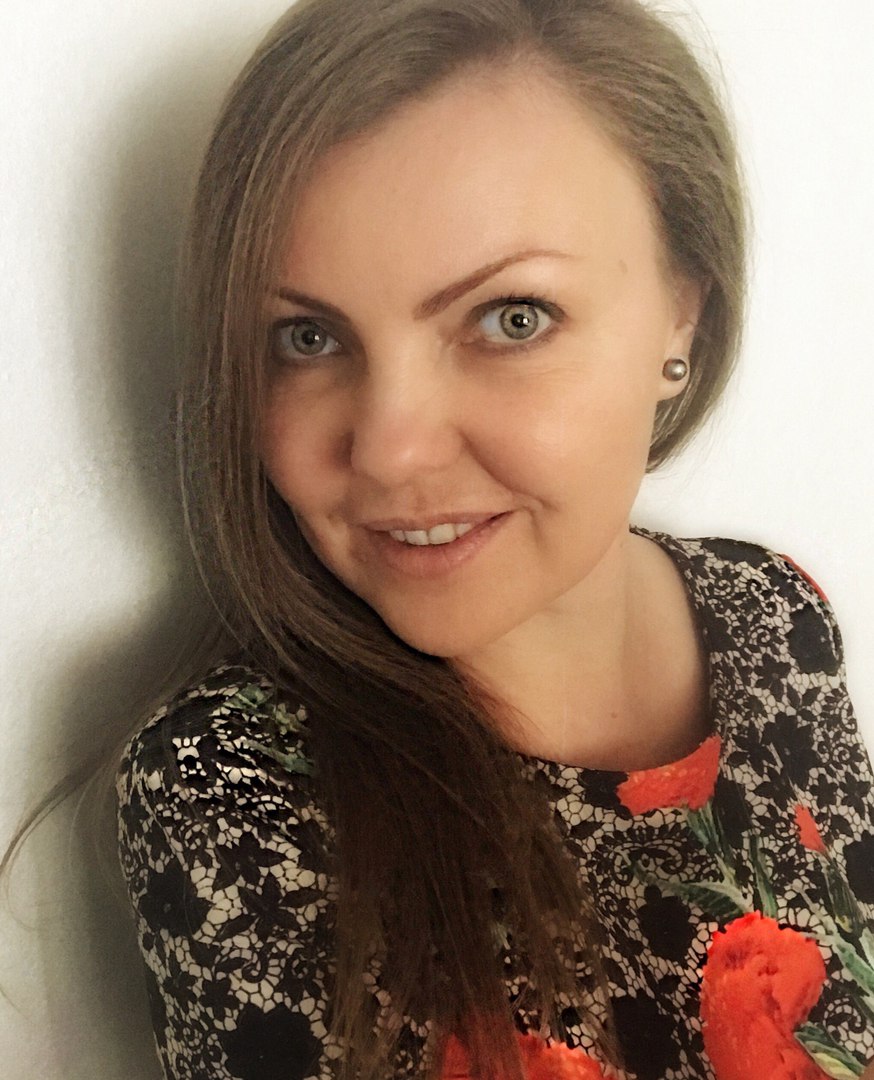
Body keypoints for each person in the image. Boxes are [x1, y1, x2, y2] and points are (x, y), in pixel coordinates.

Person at [115, 0, 874, 1078]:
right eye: (308, 337)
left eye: (511, 317)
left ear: (681, 313)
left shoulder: (771, 613)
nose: (390, 452)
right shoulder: (238, 798)